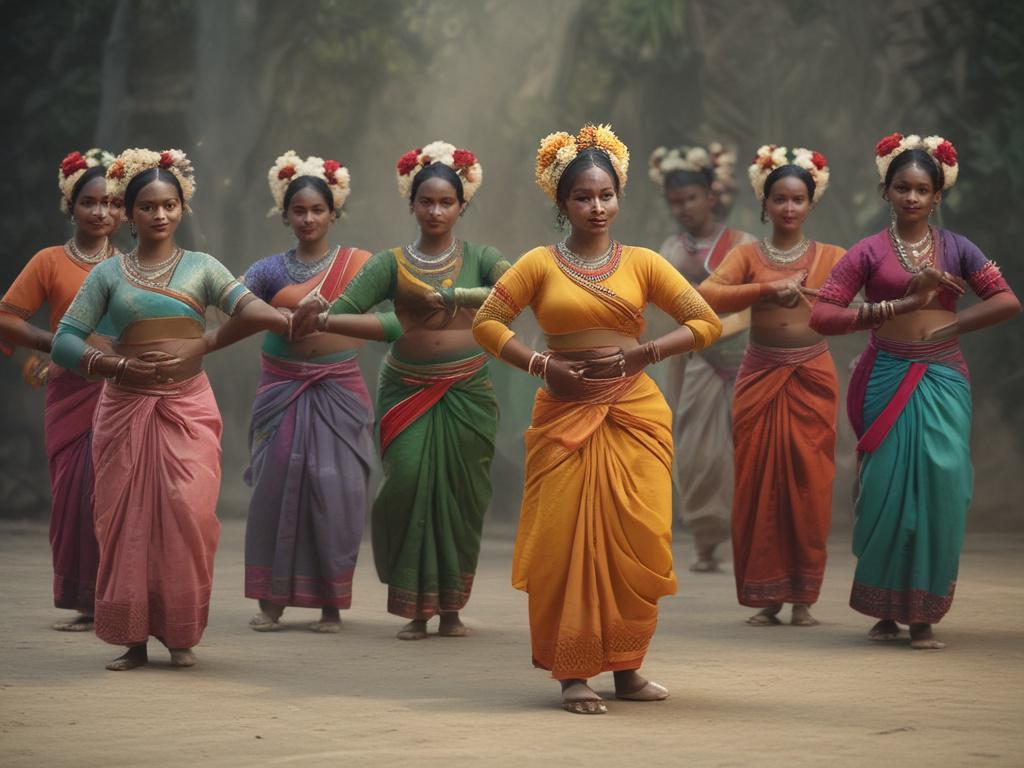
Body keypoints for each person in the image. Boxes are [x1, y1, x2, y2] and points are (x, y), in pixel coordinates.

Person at [473, 125, 721, 714]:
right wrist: (542, 365)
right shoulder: (538, 264)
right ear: (561, 203)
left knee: (639, 535)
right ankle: (574, 672)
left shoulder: (644, 263)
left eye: (606, 194)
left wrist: (643, 354)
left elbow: (705, 322)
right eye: (582, 197)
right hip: (564, 417)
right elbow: (487, 323)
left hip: (635, 414)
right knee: (564, 542)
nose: (597, 206)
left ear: (620, 196)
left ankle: (628, 668)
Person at [50, 148, 290, 670]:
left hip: (188, 408)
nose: (160, 215)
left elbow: (251, 310)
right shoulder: (108, 275)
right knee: (124, 521)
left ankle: (181, 635)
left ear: (183, 208)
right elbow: (64, 340)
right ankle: (132, 639)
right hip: (124, 409)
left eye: (169, 205)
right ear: (128, 214)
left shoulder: (203, 268)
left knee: (189, 513)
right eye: (148, 207)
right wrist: (115, 366)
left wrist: (223, 337)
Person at [809, 133, 1019, 649]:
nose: (911, 197)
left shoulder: (958, 248)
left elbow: (1006, 301)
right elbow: (823, 314)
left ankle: (922, 614)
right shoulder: (867, 251)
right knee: (885, 489)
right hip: (886, 374)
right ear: (886, 190)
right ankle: (885, 608)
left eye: (922, 189)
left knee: (944, 486)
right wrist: (891, 309)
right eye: (902, 187)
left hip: (943, 377)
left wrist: (952, 326)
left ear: (937, 195)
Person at [294, 141, 507, 640]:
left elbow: (515, 292)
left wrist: (454, 295)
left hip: (467, 389)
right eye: (426, 201)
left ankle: (450, 610)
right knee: (407, 483)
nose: (435, 211)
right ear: (411, 204)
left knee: (461, 496)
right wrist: (320, 313)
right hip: (407, 389)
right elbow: (347, 309)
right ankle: (416, 608)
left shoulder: (482, 257)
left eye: (446, 202)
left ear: (462, 206)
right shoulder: (390, 264)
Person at [698, 145, 844, 627]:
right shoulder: (747, 256)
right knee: (757, 483)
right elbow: (706, 296)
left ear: (811, 204)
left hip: (812, 377)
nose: (788, 207)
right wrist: (765, 290)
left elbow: (860, 301)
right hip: (759, 374)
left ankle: (803, 598)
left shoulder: (832, 257)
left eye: (798, 199)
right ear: (764, 202)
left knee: (809, 484)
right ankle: (767, 598)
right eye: (779, 198)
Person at [241, 152, 375, 633]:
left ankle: (331, 604)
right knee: (273, 487)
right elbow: (234, 305)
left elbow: (394, 316)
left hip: (339, 390)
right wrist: (281, 317)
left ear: (334, 213)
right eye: (299, 210)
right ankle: (270, 602)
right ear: (285, 215)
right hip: (282, 388)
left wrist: (331, 319)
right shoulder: (267, 270)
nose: (309, 218)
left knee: (337, 491)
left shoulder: (360, 265)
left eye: (318, 210)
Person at [0, 149, 121, 631]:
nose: (101, 211)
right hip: (71, 391)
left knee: (117, 494)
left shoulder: (134, 265)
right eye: (89, 201)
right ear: (70, 207)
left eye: (111, 203)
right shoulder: (49, 261)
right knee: (77, 493)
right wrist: (57, 345)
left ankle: (121, 597)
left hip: (121, 391)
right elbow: (6, 316)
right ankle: (86, 599)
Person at [649, 143, 754, 572]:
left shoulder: (743, 244)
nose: (684, 208)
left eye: (691, 198)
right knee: (697, 453)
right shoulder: (669, 249)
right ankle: (706, 541)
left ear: (711, 196)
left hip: (746, 356)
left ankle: (750, 541)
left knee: (748, 451)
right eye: (676, 202)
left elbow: (754, 300)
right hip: (696, 361)